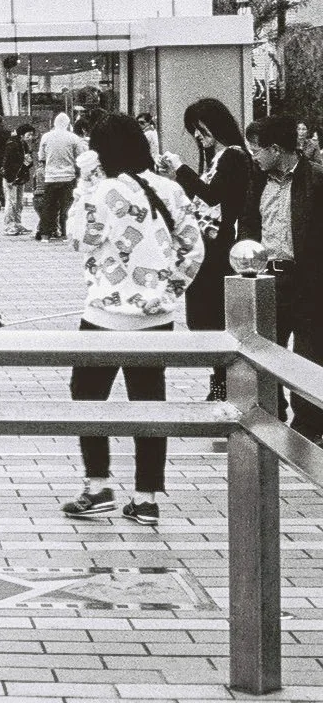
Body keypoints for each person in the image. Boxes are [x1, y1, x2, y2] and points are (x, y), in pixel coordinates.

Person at [61, 114, 204, 527]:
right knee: (149, 405)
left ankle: (97, 485)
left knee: (87, 398)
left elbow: (78, 238)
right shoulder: (170, 189)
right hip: (156, 321)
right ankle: (145, 499)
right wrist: (168, 293)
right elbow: (193, 248)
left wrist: (84, 185)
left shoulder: (103, 191)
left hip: (104, 316)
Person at [160, 98, 252, 401]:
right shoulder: (218, 158)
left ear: (217, 125)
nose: (198, 137)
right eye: (194, 132)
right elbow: (202, 198)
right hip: (208, 248)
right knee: (204, 318)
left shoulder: (234, 157)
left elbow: (213, 196)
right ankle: (220, 381)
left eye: (201, 129)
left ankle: (223, 383)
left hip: (219, 251)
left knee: (212, 318)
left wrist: (181, 169)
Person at [240, 116, 323, 441]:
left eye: (257, 150)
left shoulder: (316, 179)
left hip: (307, 281)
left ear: (276, 149)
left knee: (309, 354)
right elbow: (248, 219)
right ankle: (270, 417)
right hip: (266, 279)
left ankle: (309, 426)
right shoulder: (258, 178)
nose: (254, 156)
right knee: (265, 350)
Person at [36, 112, 85, 241]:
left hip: (50, 177)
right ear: (68, 124)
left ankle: (45, 235)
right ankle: (65, 234)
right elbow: (80, 157)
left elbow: (41, 157)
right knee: (67, 207)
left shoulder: (46, 137)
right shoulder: (73, 138)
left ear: (54, 123)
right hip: (68, 177)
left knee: (49, 206)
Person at [3, 123, 37, 235]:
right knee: (11, 201)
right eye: (29, 134)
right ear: (22, 134)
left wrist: (28, 162)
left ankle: (17, 223)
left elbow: (27, 162)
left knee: (19, 202)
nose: (31, 137)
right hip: (12, 177)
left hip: (20, 177)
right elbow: (7, 162)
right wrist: (9, 179)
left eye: (32, 135)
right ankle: (9, 225)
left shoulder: (24, 145)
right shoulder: (12, 144)